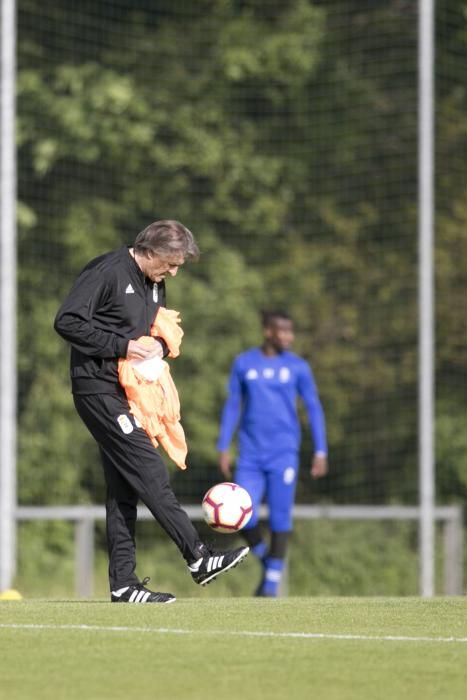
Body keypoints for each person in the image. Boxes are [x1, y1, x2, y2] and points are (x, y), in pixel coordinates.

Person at [54, 220, 249, 604]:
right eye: (171, 263)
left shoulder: (155, 281)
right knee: (149, 469)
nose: (174, 272)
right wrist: (123, 346)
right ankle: (198, 558)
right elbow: (67, 321)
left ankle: (124, 585)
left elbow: (153, 327)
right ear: (150, 250)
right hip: (97, 389)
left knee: (124, 487)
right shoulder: (107, 271)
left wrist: (158, 344)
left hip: (129, 392)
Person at [217, 310, 328, 597]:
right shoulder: (244, 363)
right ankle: (268, 560)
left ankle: (271, 584)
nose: (289, 337)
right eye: (283, 331)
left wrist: (320, 450)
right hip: (250, 455)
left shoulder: (298, 367)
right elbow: (232, 406)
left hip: (284, 454)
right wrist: (222, 446)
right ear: (268, 331)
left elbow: (313, 407)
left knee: (280, 517)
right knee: (240, 516)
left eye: (291, 332)